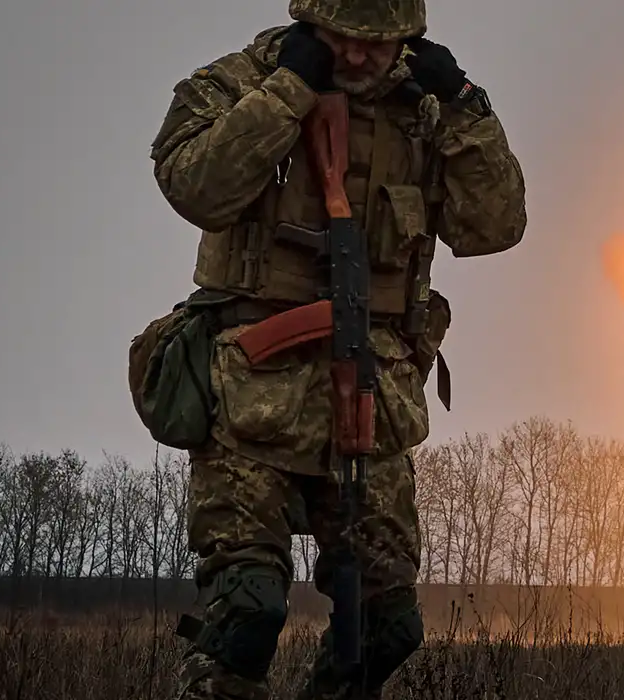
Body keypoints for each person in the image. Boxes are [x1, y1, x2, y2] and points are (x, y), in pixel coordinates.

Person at [140, 1, 528, 697]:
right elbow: (196, 188)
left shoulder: (428, 110)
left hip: (373, 401)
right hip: (252, 397)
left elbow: (493, 227)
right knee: (246, 617)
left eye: (377, 45)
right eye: (343, 40)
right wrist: (287, 92)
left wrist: (468, 106)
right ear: (308, 25)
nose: (357, 57)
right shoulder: (238, 84)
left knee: (388, 628)